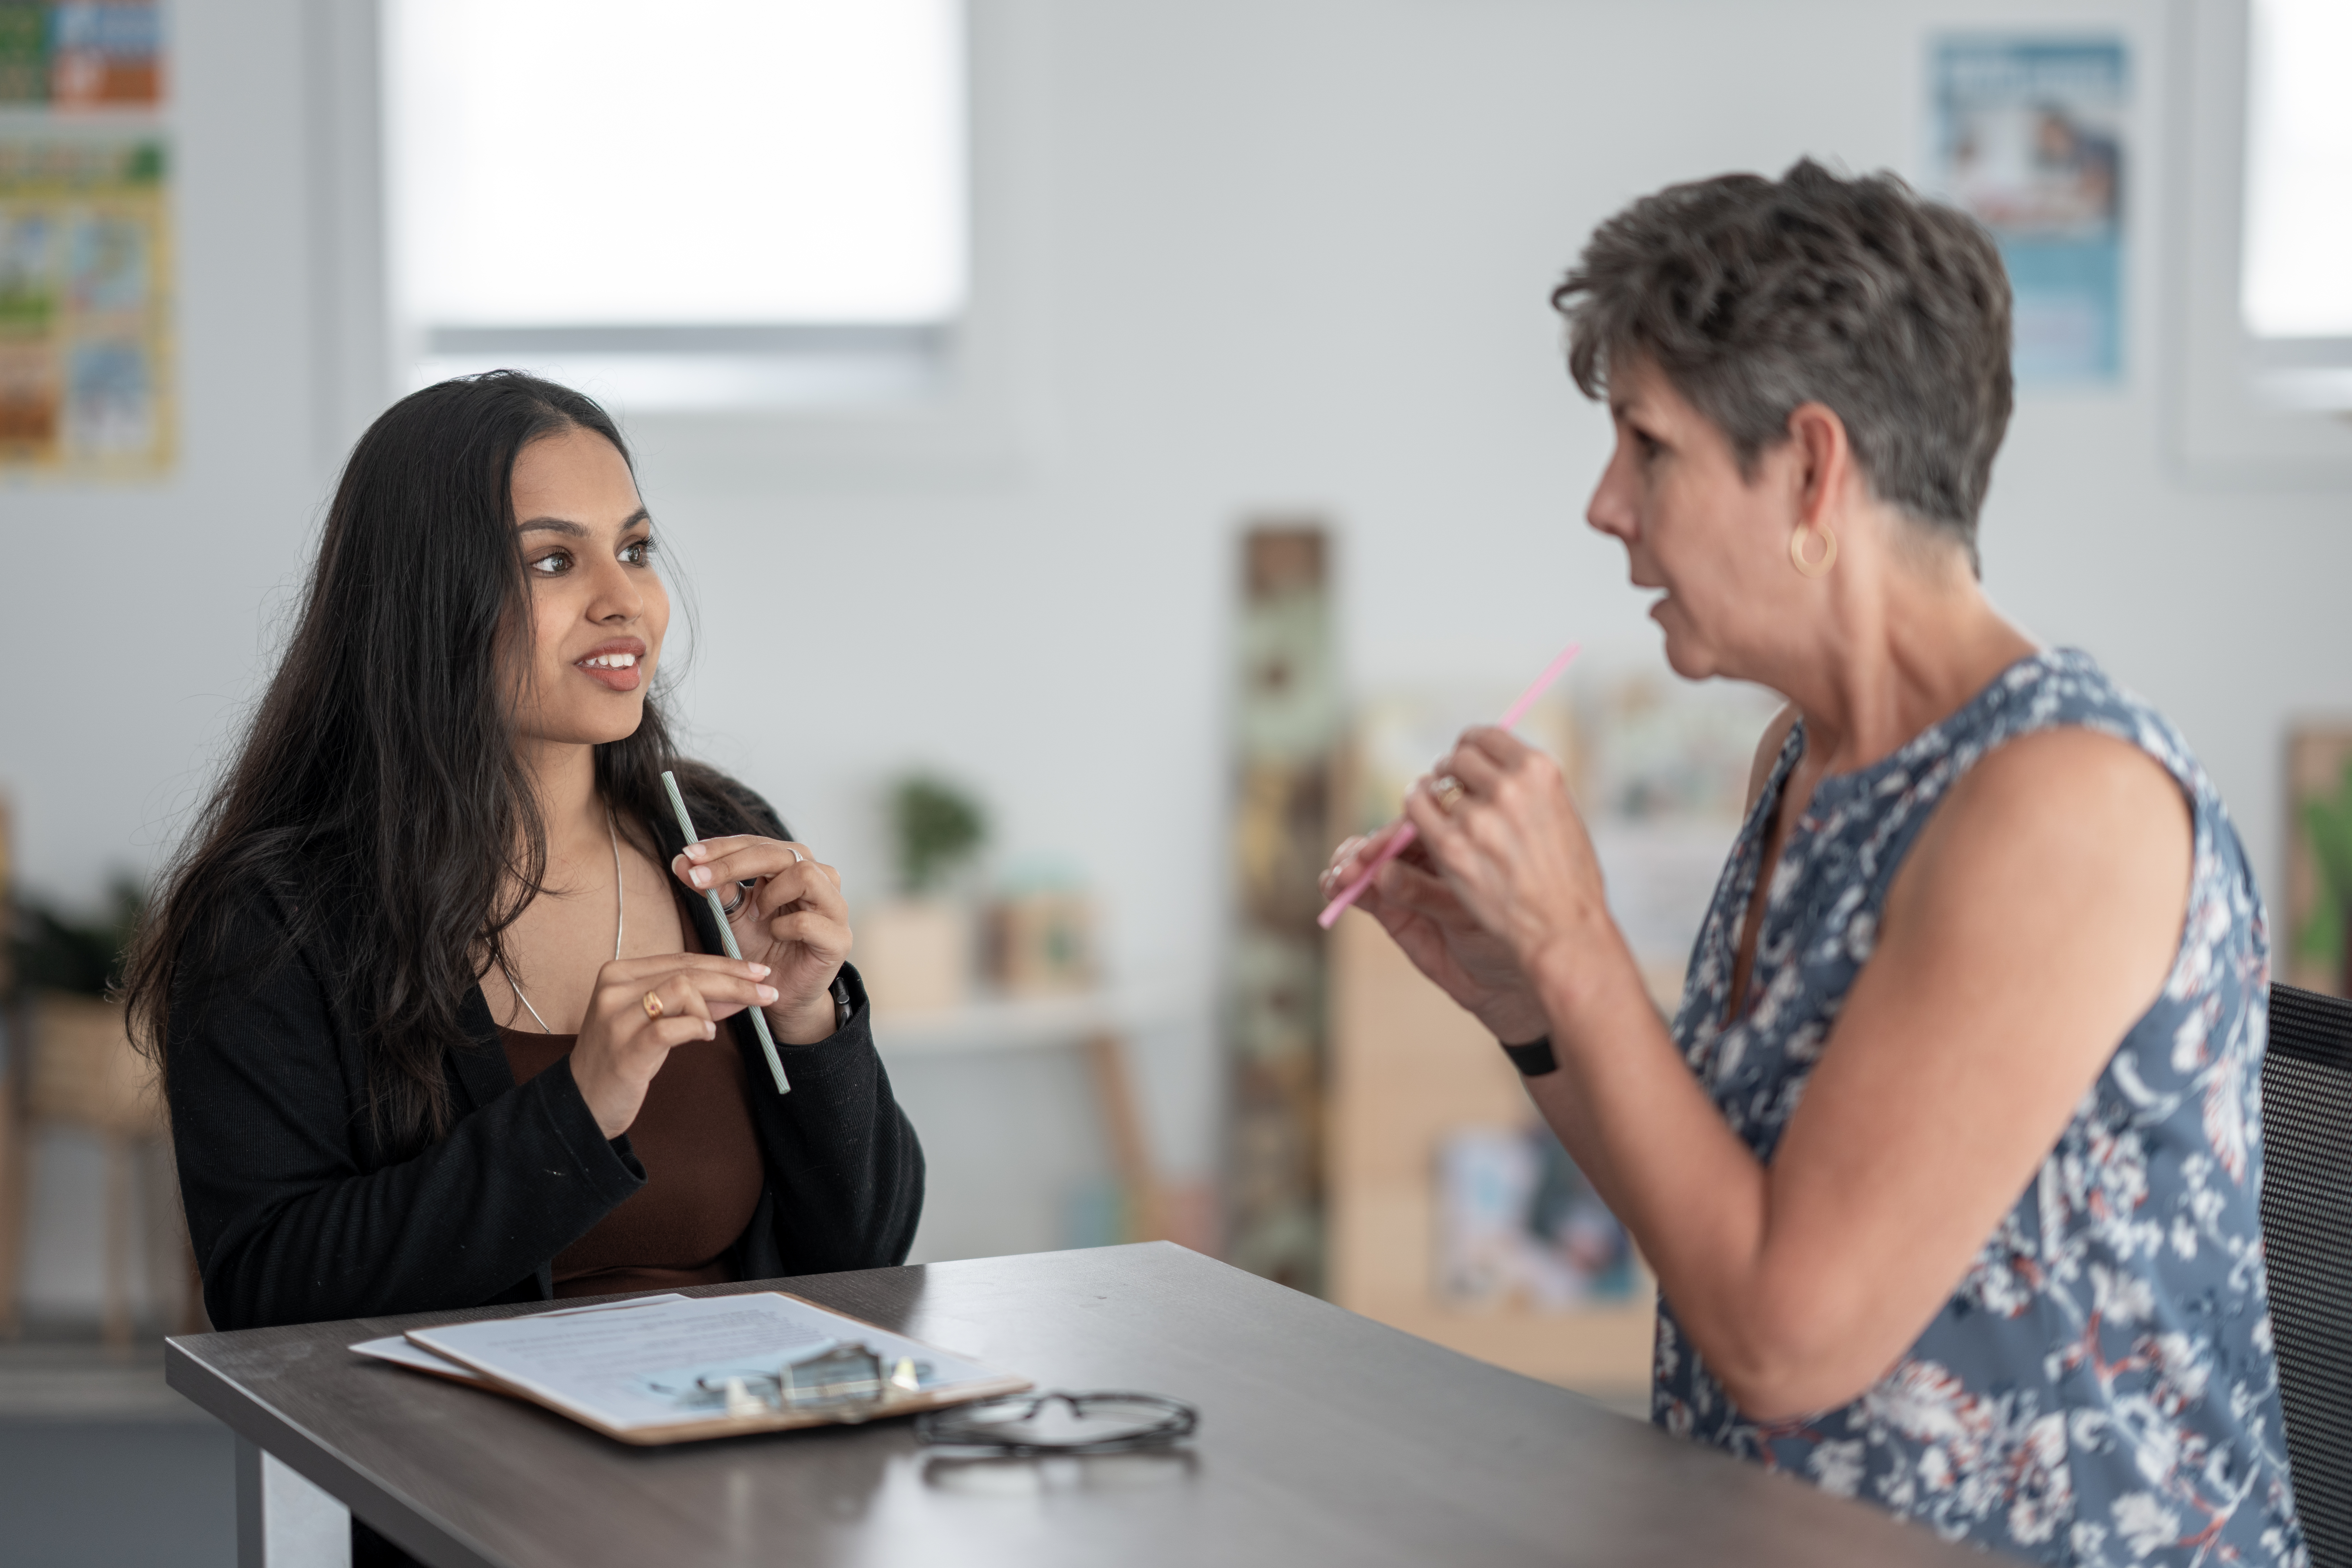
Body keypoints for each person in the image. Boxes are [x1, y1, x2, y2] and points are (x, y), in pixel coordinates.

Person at [1322, 162, 2302, 1566]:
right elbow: (1722, 1225)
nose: (1605, 505)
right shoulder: (1806, 757)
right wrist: (1528, 1003)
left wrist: (1580, 942)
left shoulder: (2063, 804)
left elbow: (1786, 1345)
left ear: (1811, 469)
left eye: (1647, 446)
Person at [128, 371, 923, 1336]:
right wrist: (576, 1110)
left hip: (743, 1420)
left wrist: (807, 1021)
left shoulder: (719, 837)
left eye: (635, 549)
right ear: (426, 601)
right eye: (552, 562)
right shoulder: (273, 914)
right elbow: (265, 1291)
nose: (624, 601)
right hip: (458, 1434)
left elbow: (868, 1253)